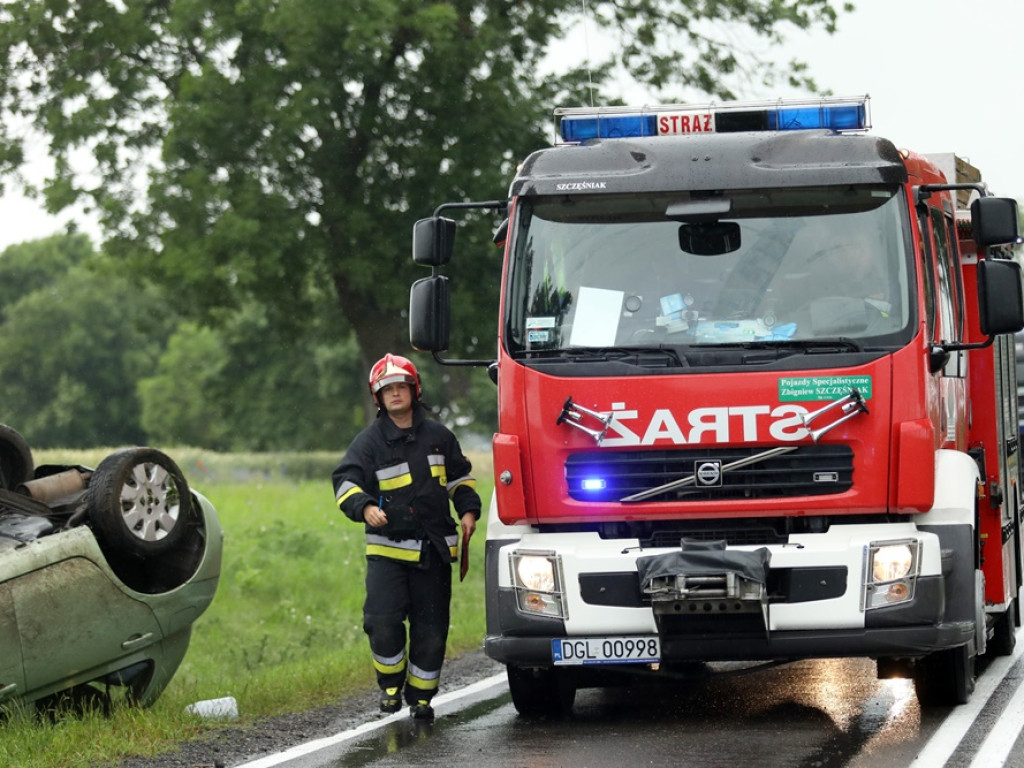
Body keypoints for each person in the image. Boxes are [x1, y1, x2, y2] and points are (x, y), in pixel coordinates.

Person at [332, 353, 481, 720]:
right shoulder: (368, 442)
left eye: (401, 387)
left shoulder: (439, 437)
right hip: (388, 553)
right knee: (381, 623)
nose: (395, 394)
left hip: (433, 552)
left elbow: (461, 478)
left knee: (431, 631)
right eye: (387, 390)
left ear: (415, 391)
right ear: (378, 398)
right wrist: (365, 506)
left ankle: (421, 697)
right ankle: (391, 685)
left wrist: (468, 511)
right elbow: (345, 481)